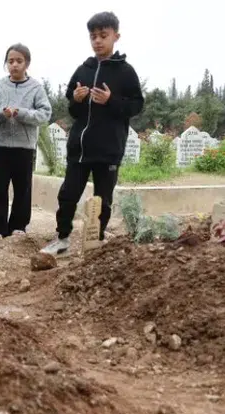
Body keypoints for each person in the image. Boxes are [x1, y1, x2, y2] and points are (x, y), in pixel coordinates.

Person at [40, 11, 144, 256]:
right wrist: (76, 100)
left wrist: (111, 100)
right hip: (79, 148)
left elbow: (136, 105)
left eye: (103, 35)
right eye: (93, 36)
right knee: (68, 194)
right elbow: (73, 110)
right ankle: (62, 239)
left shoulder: (125, 71)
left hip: (108, 149)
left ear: (116, 36)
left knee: (102, 199)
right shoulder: (83, 70)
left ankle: (96, 243)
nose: (97, 41)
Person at [0, 43, 52, 239]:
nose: (14, 65)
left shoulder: (36, 88)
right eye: (10, 61)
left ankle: (18, 226)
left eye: (19, 61)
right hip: (1, 146)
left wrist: (21, 113)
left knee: (23, 188)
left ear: (27, 63)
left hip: (25, 147)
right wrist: (1, 113)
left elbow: (44, 114)